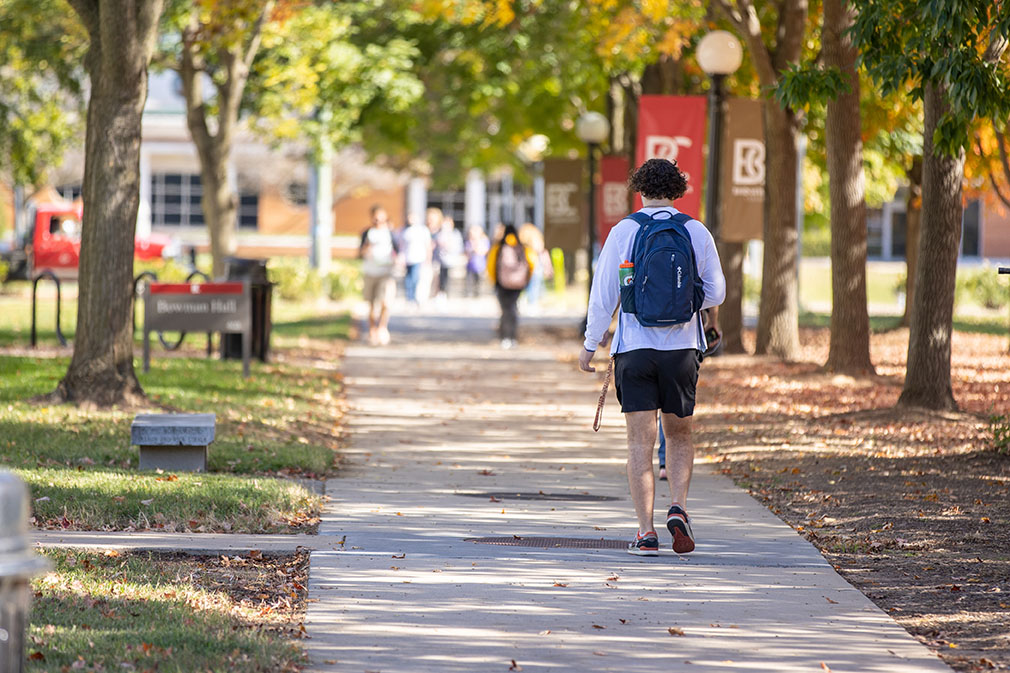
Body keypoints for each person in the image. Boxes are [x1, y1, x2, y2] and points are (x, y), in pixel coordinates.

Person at [578, 158, 725, 556]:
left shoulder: (624, 230)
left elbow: (605, 292)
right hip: (681, 350)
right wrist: (684, 299)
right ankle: (678, 506)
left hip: (635, 350)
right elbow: (717, 293)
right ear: (678, 190)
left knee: (639, 445)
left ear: (639, 189)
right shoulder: (695, 231)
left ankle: (645, 532)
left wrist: (590, 343)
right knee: (678, 436)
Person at [487, 223, 536, 349]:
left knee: (505, 310)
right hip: (518, 283)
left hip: (502, 284)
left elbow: (491, 265)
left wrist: (495, 281)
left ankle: (505, 337)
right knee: (513, 309)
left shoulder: (499, 247)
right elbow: (531, 263)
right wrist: (526, 279)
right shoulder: (523, 247)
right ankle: (512, 337)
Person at [359, 204, 399, 346]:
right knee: (370, 304)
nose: (377, 220)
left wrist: (397, 261)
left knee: (385, 302)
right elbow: (359, 253)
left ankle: (382, 327)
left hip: (385, 273)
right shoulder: (367, 233)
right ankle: (372, 330)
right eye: (375, 218)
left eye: (380, 217)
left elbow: (398, 251)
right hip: (370, 272)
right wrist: (367, 248)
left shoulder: (390, 233)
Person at [400, 211, 432, 304]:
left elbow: (427, 245)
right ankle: (409, 296)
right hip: (408, 258)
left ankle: (413, 296)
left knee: (415, 277)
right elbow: (402, 245)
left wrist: (428, 258)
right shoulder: (406, 231)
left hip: (418, 257)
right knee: (408, 277)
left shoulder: (423, 230)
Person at [464, 225, 490, 297]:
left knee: (478, 281)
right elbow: (466, 253)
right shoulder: (469, 241)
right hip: (470, 265)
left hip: (480, 265)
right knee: (470, 281)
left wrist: (476, 245)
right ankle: (469, 293)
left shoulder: (484, 241)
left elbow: (484, 252)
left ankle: (477, 294)